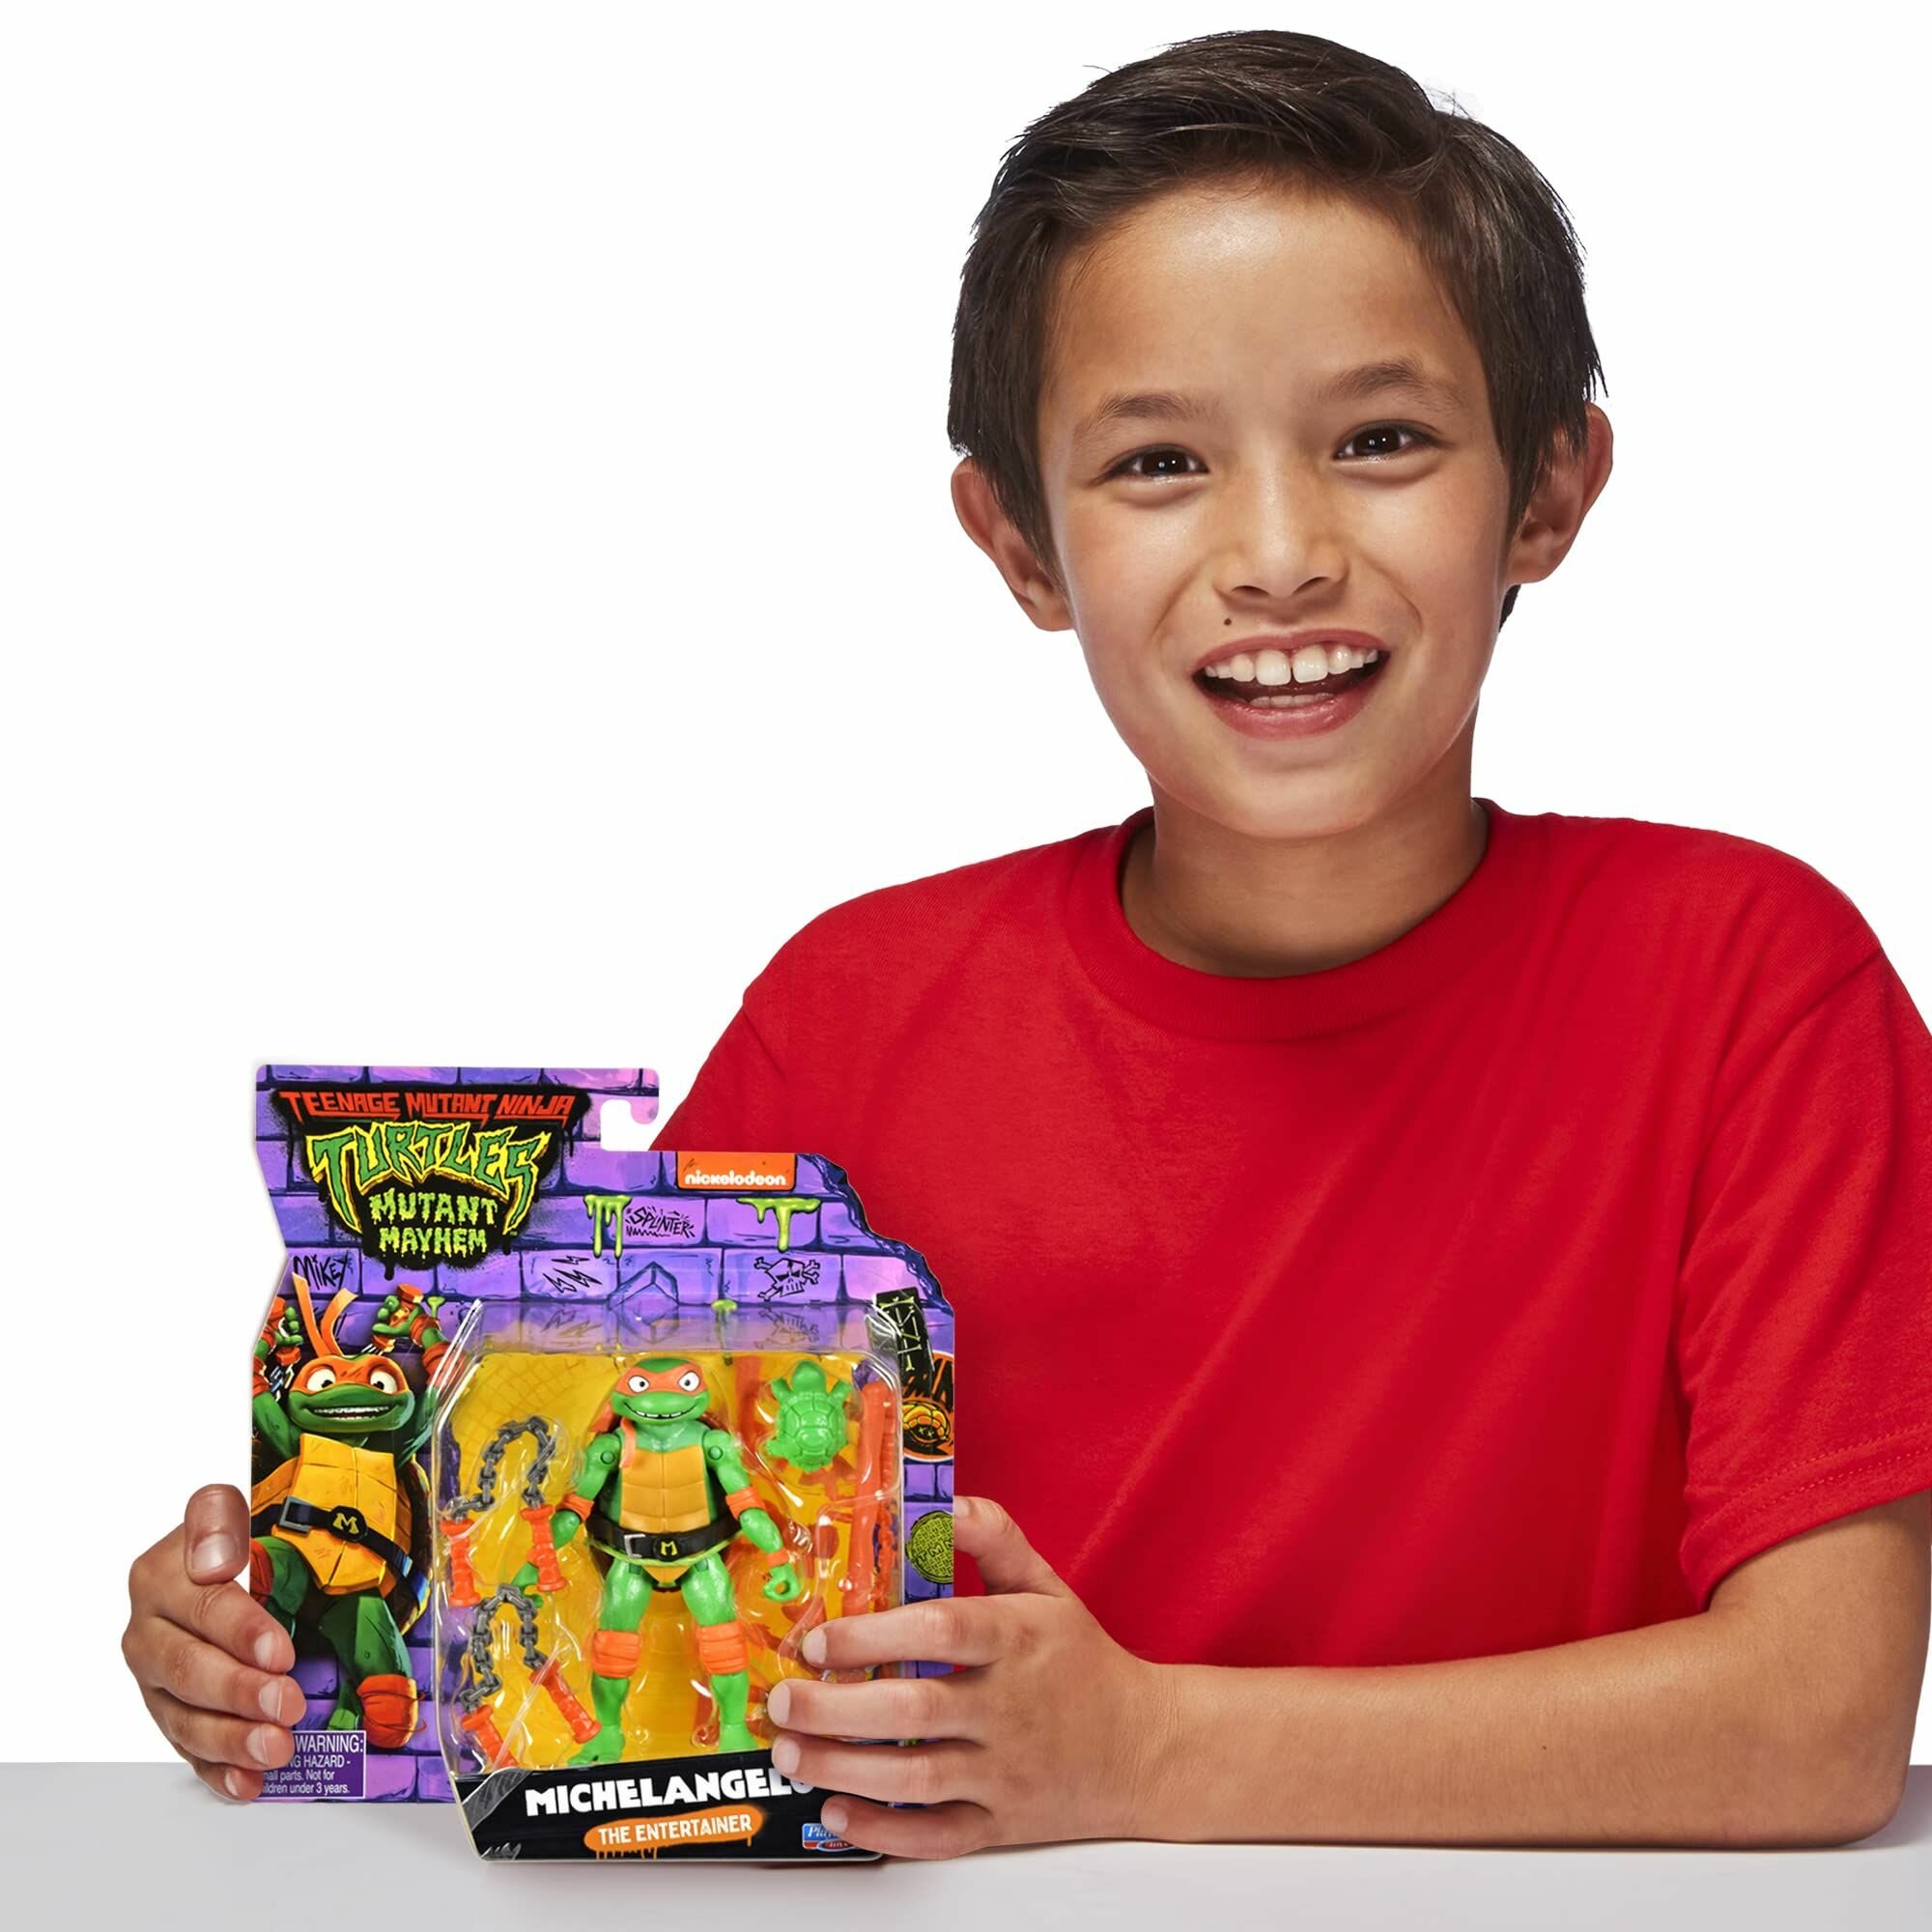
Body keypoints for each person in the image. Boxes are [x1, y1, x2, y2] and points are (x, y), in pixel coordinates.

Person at [124, 28, 1930, 1856]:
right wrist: (291, 1625)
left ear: (1546, 489)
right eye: (1160, 460)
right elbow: (576, 1578)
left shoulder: (1753, 985)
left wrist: (1145, 1752)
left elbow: (1820, 1723)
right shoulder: (853, 1018)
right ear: (1021, 545)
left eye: (1381, 440)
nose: (1280, 553)